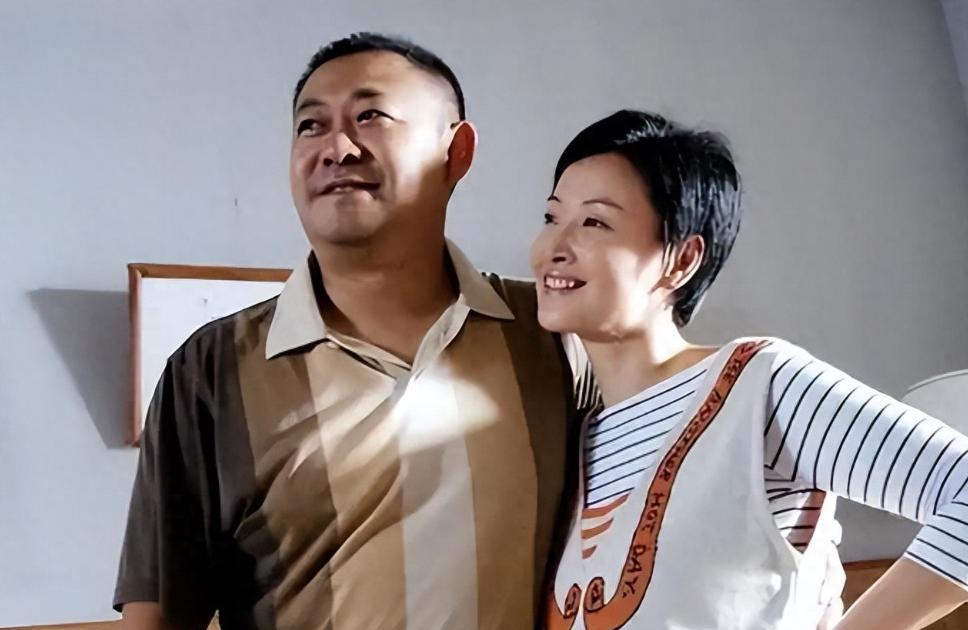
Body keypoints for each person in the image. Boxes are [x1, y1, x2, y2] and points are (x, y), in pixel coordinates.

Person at [114, 33, 591, 630]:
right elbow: (157, 615)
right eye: (311, 126)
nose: (336, 148)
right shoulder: (212, 369)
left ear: (456, 152)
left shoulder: (552, 335)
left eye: (370, 117)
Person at [534, 110, 968, 629]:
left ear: (682, 259)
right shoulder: (574, 441)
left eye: (594, 222)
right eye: (551, 218)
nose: (553, 248)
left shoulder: (759, 385)